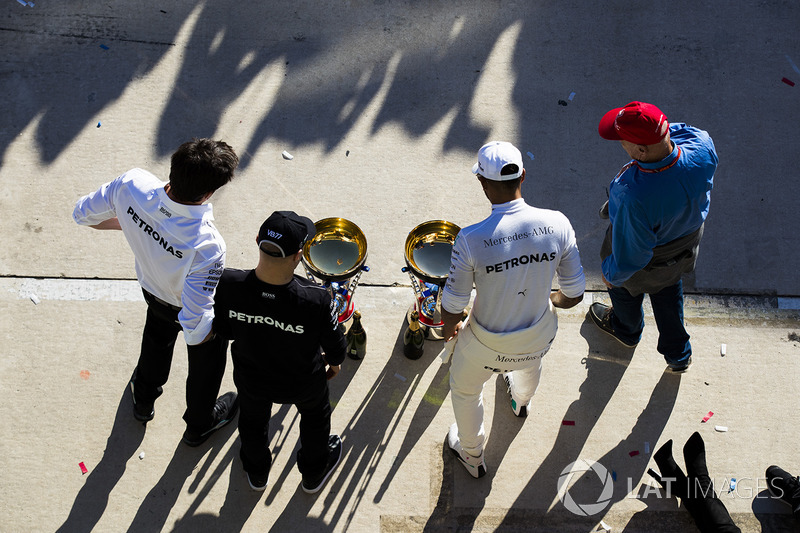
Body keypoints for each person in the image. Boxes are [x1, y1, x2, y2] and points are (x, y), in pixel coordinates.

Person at [72, 138, 240, 446]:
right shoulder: (207, 244)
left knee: (156, 341)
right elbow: (196, 320)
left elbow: (83, 215)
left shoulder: (131, 184)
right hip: (182, 303)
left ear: (174, 167)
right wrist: (208, 348)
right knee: (208, 357)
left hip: (151, 290)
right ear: (208, 193)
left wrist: (135, 222)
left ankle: (144, 401)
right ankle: (199, 424)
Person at [441, 141, 586, 478]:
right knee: (529, 363)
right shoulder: (558, 224)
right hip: (538, 335)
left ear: (482, 182)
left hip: (483, 347)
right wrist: (553, 301)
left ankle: (473, 456)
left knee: (465, 391)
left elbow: (453, 305)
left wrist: (449, 330)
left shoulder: (470, 239)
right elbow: (575, 294)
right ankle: (520, 403)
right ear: (524, 174)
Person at [212, 211, 346, 492]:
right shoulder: (316, 297)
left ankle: (256, 472)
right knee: (316, 419)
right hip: (304, 381)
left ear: (257, 240)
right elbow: (336, 345)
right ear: (299, 255)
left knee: (251, 421)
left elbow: (223, 331)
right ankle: (312, 475)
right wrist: (334, 364)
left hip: (251, 378)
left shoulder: (228, 284)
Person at [589, 102, 718, 373]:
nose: (622, 148)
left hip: (647, 258)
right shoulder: (701, 145)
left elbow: (633, 255)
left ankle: (626, 330)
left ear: (640, 150)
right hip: (684, 245)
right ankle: (678, 355)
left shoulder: (633, 195)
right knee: (669, 291)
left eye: (623, 143)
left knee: (625, 290)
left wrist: (611, 275)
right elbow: (674, 131)